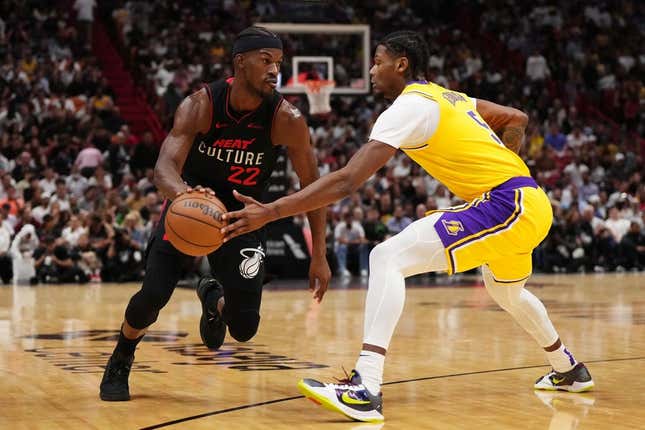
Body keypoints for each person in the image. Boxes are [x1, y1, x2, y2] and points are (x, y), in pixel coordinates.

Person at [220, 30, 594, 422]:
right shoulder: (449, 96)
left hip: (508, 204)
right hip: (527, 202)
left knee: (387, 257)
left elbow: (347, 181)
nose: (371, 69)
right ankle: (568, 368)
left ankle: (365, 386)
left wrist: (271, 210)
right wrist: (499, 169)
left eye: (378, 61)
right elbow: (517, 118)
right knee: (507, 293)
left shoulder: (409, 106)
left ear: (401, 64)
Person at [99, 26, 331, 402]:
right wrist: (184, 196)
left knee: (243, 328)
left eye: (279, 63)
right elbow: (164, 169)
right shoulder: (201, 105)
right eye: (266, 61)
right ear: (240, 63)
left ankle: (213, 300)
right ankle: (122, 355)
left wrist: (319, 254)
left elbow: (313, 189)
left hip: (245, 219)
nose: (276, 71)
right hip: (190, 208)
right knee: (152, 297)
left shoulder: (287, 119)